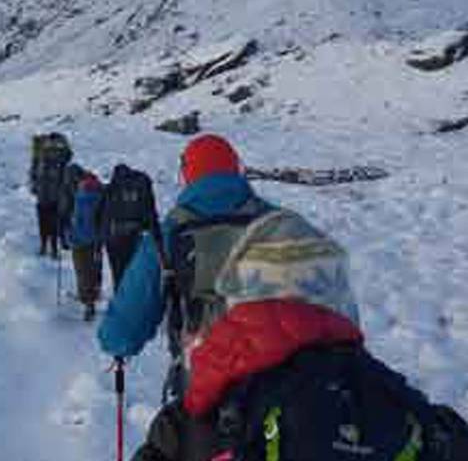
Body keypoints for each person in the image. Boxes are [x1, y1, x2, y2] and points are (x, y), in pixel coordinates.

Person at [99, 134, 468, 461]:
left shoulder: (167, 235)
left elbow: (121, 333)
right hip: (308, 380)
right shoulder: (281, 223)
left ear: (187, 175)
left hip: (207, 389)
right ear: (237, 170)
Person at [99, 162, 156, 291]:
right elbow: (149, 214)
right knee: (133, 271)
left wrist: (101, 237)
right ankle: (133, 299)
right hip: (135, 236)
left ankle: (120, 297)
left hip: (113, 239)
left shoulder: (110, 189)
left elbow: (101, 215)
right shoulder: (140, 187)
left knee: (118, 273)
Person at [67, 171, 105, 322]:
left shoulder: (80, 197)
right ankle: (93, 296)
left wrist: (68, 234)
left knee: (82, 270)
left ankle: (87, 300)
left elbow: (75, 220)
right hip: (96, 240)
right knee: (94, 269)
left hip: (79, 241)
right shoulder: (102, 196)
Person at [29, 133, 74, 258]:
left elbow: (68, 158)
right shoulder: (40, 156)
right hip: (44, 194)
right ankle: (46, 246)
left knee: (52, 222)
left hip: (53, 195)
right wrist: (34, 185)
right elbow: (33, 171)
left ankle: (52, 247)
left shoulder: (60, 157)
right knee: (45, 221)